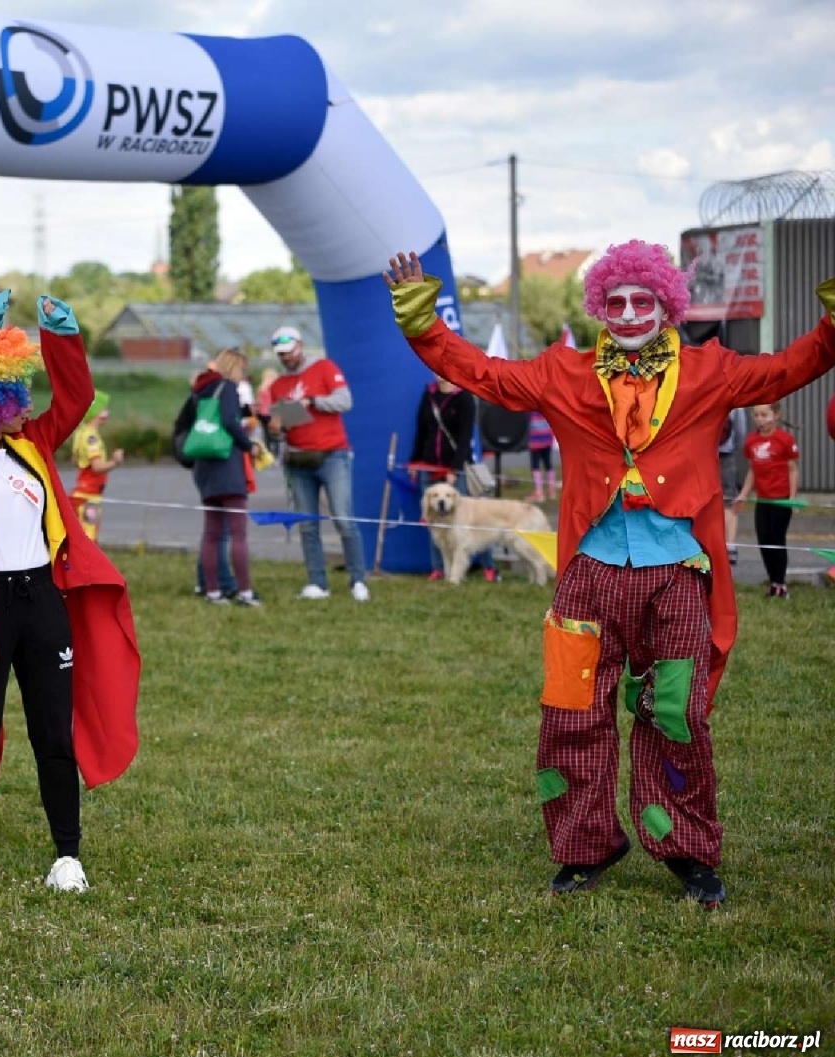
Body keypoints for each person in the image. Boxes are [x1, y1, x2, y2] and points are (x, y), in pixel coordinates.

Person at [384, 242, 835, 908]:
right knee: (573, 711)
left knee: (677, 712)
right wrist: (422, 321)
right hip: (589, 574)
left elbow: (792, 367)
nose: (627, 313)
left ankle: (686, 850)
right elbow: (482, 373)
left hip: (677, 573)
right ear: (599, 306)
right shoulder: (562, 373)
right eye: (615, 301)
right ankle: (586, 845)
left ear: (666, 305)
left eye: (641, 300)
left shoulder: (711, 371)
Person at [0, 291, 139, 899]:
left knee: (53, 733)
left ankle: (67, 856)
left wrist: (61, 336)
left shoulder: (33, 442)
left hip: (41, 599)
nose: (29, 405)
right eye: (18, 393)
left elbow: (77, 398)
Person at [267, 325, 370, 601]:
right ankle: (317, 582)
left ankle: (358, 579)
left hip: (333, 454)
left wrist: (313, 401)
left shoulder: (324, 368)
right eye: (282, 354)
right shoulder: (278, 386)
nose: (286, 358)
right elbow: (280, 429)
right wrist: (276, 429)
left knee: (343, 518)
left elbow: (345, 401)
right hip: (298, 458)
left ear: (300, 346)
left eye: (289, 352)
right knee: (307, 524)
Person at [174, 348, 261, 606]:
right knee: (238, 533)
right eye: (242, 369)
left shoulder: (200, 389)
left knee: (211, 533)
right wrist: (249, 446)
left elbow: (186, 424)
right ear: (234, 367)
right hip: (227, 465)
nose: (243, 375)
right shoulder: (228, 387)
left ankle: (212, 591)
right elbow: (229, 421)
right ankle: (245, 592)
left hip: (205, 467)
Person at [409, 375, 496, 581]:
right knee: (433, 520)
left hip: (455, 467)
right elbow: (421, 431)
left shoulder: (464, 397)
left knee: (470, 520)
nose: (438, 374)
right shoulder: (429, 394)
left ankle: (488, 567)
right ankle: (438, 568)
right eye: (435, 370)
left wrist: (455, 469)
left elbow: (466, 437)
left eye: (442, 369)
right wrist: (415, 461)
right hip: (430, 466)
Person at [735, 403, 799, 599]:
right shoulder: (751, 441)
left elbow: (792, 470)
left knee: (777, 540)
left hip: (780, 499)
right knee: (764, 540)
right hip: (762, 500)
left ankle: (780, 583)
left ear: (776, 414)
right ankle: (772, 582)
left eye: (764, 415)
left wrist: (792, 499)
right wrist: (744, 494)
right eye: (756, 415)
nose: (760, 419)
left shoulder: (784, 440)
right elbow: (753, 470)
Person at [68, 390, 124, 541]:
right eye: (104, 408)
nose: (107, 412)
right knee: (89, 540)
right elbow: (97, 467)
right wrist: (115, 462)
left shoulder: (81, 433)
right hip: (89, 497)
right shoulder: (92, 437)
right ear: (95, 412)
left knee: (80, 538)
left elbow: (75, 460)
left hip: (82, 493)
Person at [717, 406, 748, 564]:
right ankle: (731, 546)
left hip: (703, 455)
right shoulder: (735, 403)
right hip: (726, 454)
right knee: (729, 501)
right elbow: (741, 432)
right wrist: (733, 447)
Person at [527, 410, 558, 503]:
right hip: (547, 437)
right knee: (548, 464)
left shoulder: (531, 409)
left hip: (535, 439)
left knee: (535, 465)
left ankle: (539, 492)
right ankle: (552, 491)